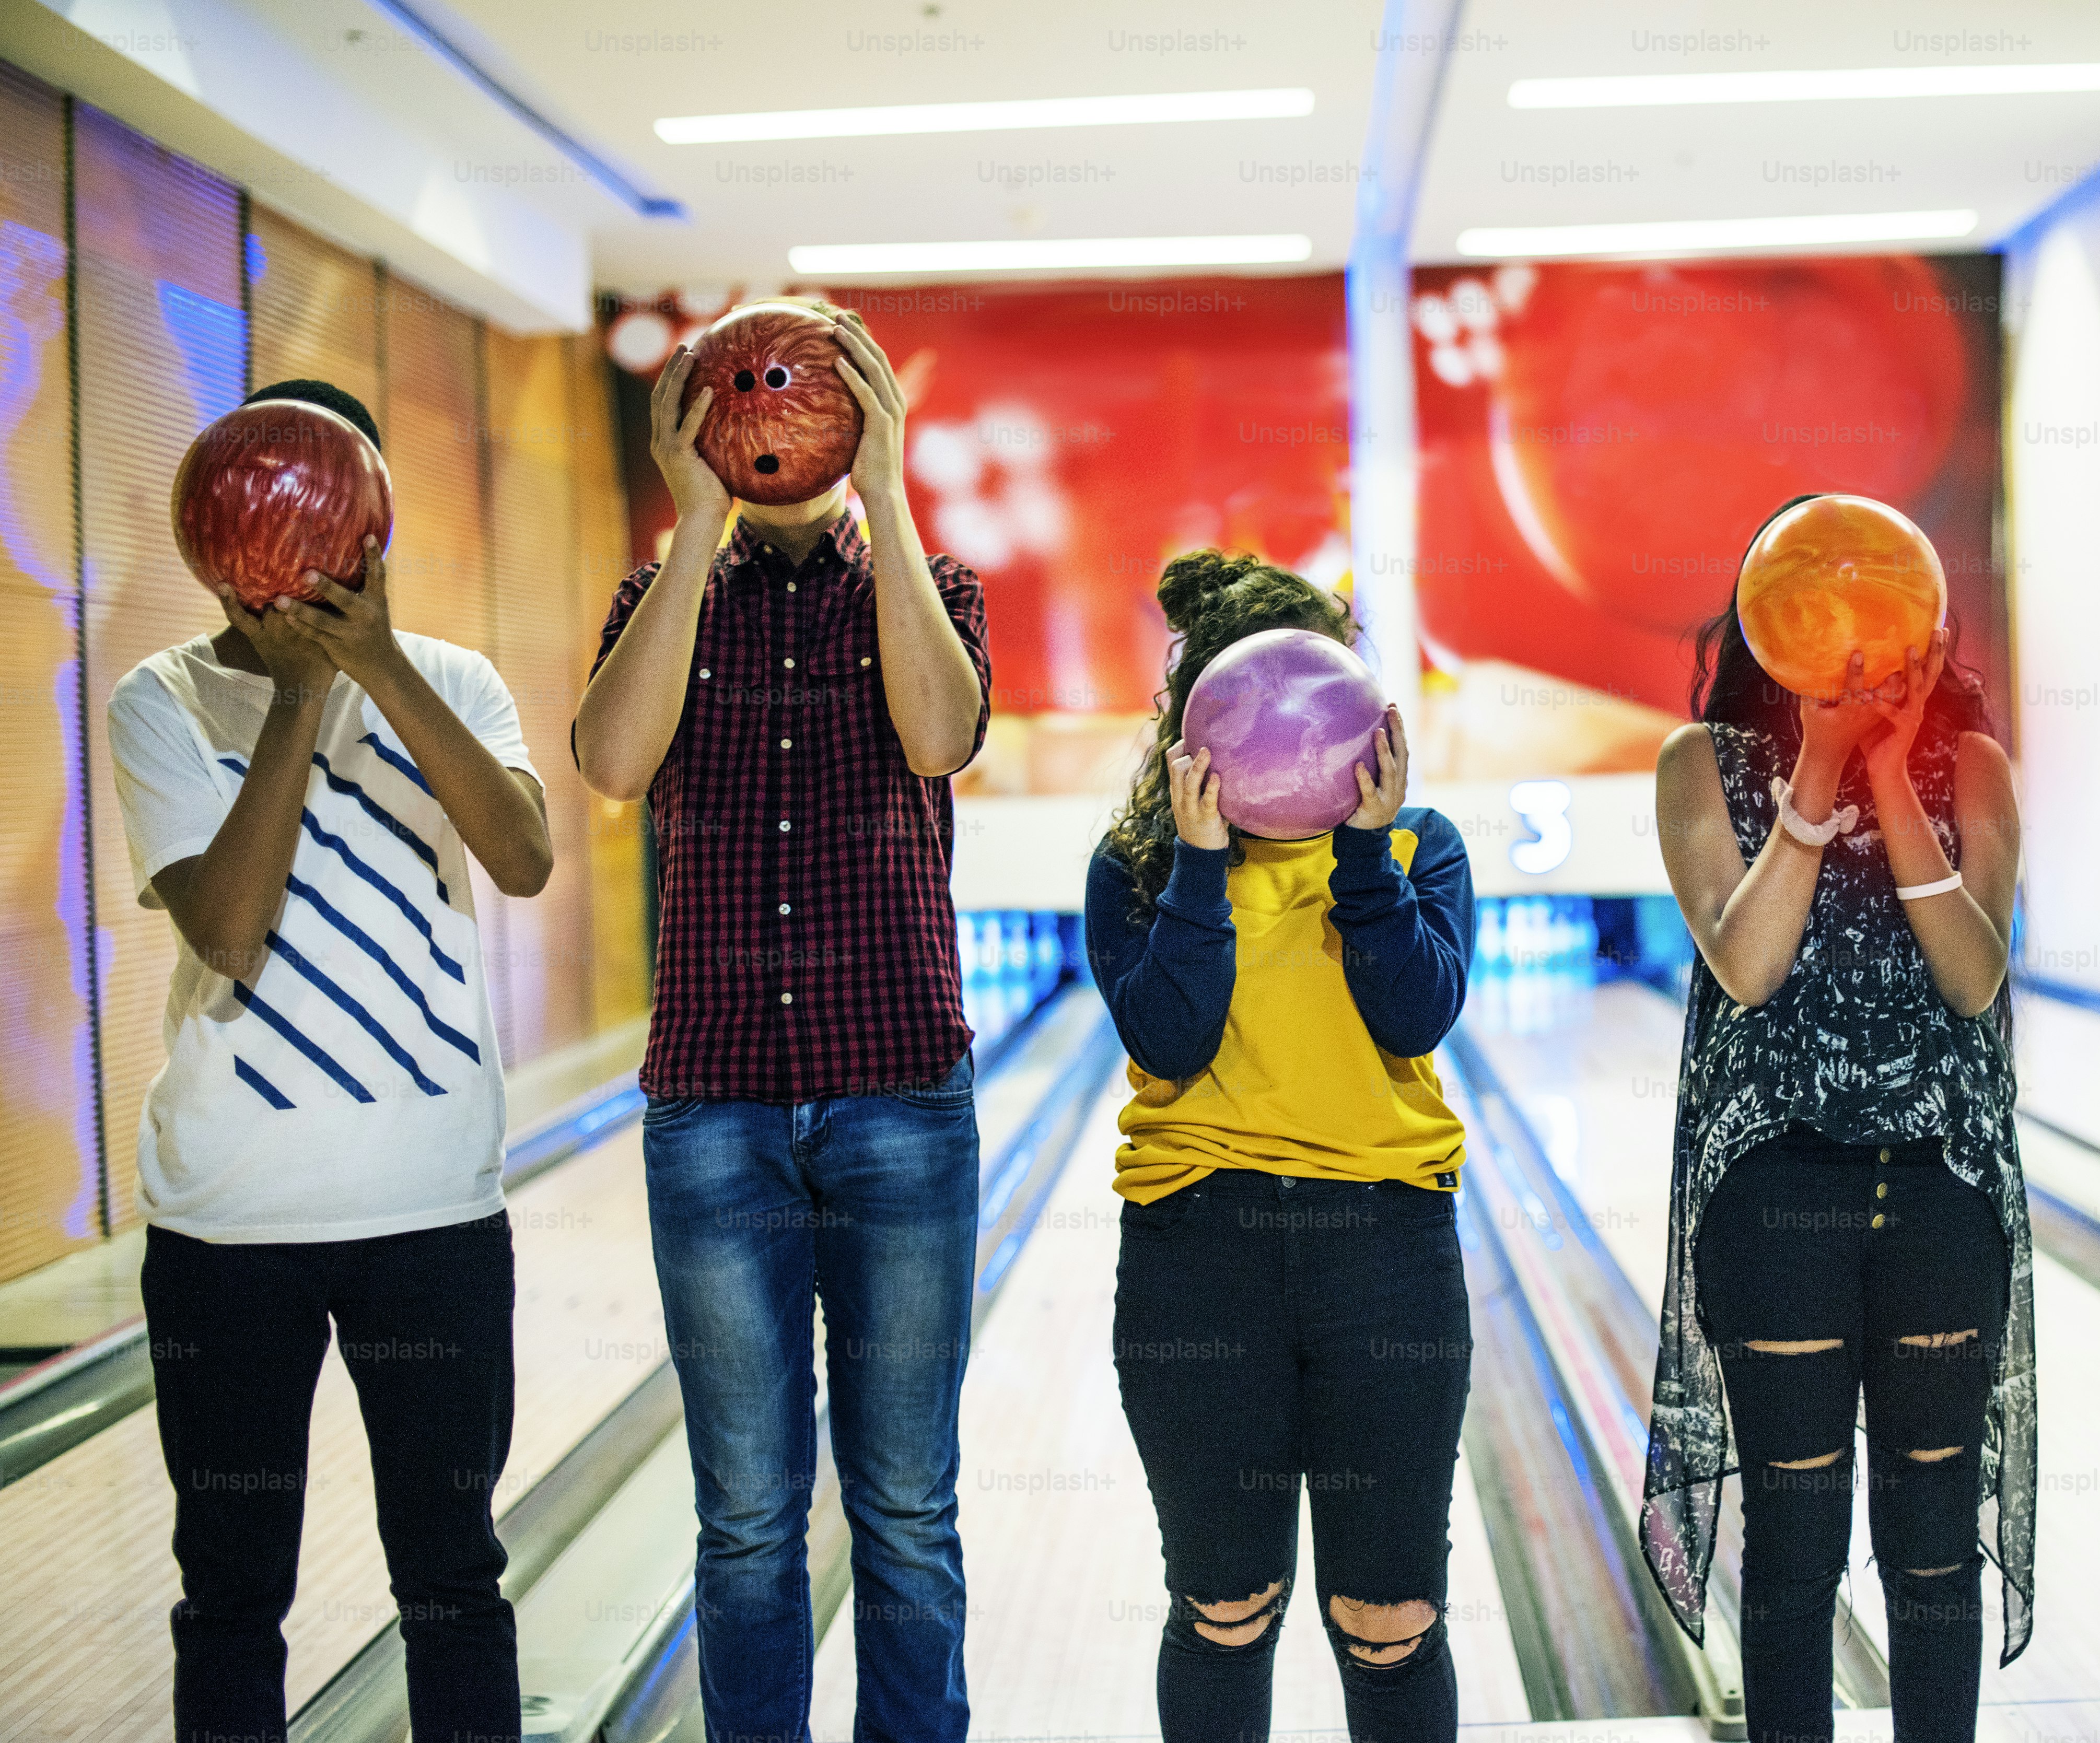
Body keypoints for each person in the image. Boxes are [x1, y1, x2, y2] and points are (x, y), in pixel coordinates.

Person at [571, 300, 989, 1741]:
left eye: (806, 387)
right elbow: (613, 761)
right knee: (747, 1516)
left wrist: (888, 484)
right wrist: (690, 521)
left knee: (906, 1505)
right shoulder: (657, 598)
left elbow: (939, 737)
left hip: (898, 1101)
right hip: (715, 1109)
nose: (772, 406)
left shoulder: (935, 583)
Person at [109, 379, 551, 1743]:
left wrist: (379, 668)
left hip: (434, 1217)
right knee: (232, 1593)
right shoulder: (159, 700)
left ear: (372, 527)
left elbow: (526, 858)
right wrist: (299, 698)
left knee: (454, 1581)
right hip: (228, 1226)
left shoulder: (457, 682)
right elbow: (231, 930)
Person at [1639, 496, 2036, 1743]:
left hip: (1938, 1197)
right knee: (1798, 1549)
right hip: (1776, 1200)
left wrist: (1888, 773)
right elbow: (1748, 967)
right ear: (1767, 618)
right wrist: (1817, 773)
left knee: (1930, 1558)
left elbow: (1971, 980)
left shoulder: (1973, 767)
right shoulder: (1695, 763)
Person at [1084, 551, 1473, 1742]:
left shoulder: (1420, 847)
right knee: (1225, 1606)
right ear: (1198, 722)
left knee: (1388, 1614)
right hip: (1200, 1252)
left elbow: (1413, 1013)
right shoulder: (1138, 862)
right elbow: (1172, 1036)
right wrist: (1203, 868)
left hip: (1387, 1251)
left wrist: (1364, 855)